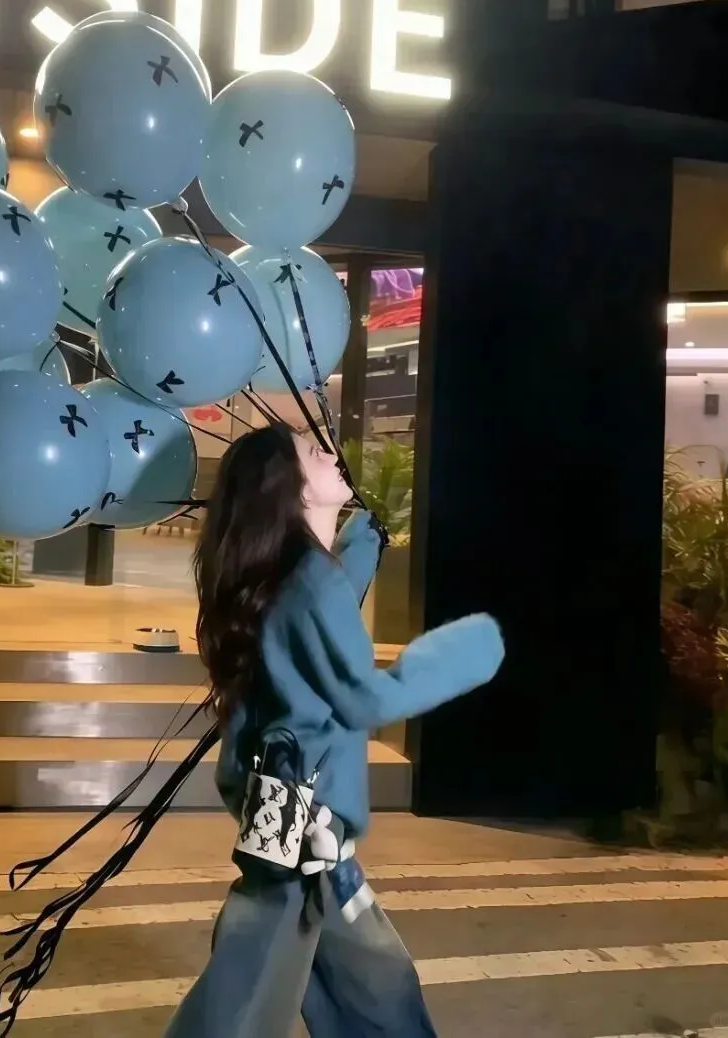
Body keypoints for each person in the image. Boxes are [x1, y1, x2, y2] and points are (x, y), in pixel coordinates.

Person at [162, 422, 506, 1038]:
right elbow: (365, 697)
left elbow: (317, 623)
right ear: (293, 487)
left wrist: (361, 543)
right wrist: (474, 648)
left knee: (368, 981)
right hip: (310, 825)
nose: (329, 452)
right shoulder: (309, 582)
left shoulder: (278, 575)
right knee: (254, 987)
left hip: (285, 808)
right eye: (311, 450)